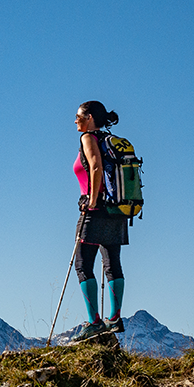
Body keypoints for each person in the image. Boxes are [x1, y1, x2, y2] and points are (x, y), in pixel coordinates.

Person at [71, 100, 128, 342]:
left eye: (78, 116)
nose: (75, 121)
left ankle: (94, 322)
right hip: (117, 209)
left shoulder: (88, 139)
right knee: (112, 262)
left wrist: (92, 200)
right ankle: (114, 319)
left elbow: (95, 168)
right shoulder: (109, 140)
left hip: (96, 208)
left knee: (82, 264)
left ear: (90, 117)